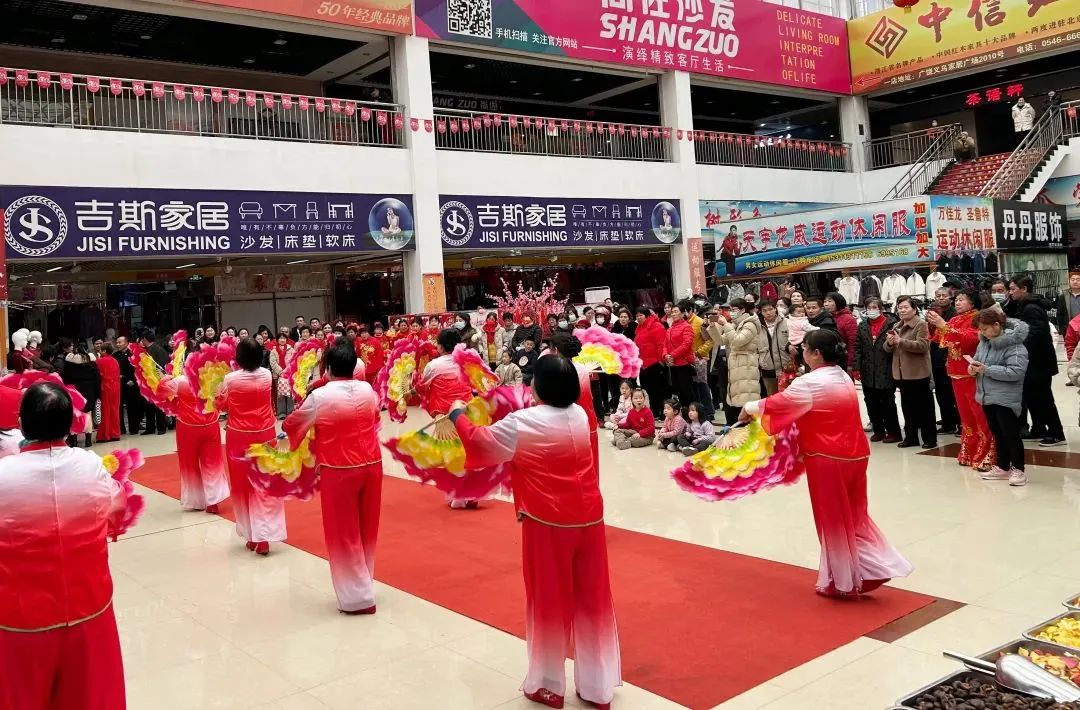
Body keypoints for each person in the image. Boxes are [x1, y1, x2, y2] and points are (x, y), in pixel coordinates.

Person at [449, 354, 619, 708]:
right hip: (589, 517)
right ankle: (598, 685)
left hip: (548, 521)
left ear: (539, 387)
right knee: (593, 598)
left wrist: (457, 415)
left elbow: (480, 444)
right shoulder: (579, 415)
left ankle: (547, 682)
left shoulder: (526, 422)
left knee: (547, 600)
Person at [740, 329, 913, 597]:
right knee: (854, 516)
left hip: (828, 458)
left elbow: (779, 403)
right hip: (856, 454)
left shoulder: (809, 382)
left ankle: (842, 581)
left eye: (806, 349)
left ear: (816, 353)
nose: (803, 353)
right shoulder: (842, 376)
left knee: (831, 520)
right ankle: (868, 569)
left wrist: (750, 408)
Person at [0, 382, 129, 709]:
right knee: (91, 697)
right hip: (89, 608)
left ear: (21, 421)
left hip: (19, 620)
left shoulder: (4, 475)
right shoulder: (91, 466)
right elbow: (116, 511)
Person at [283, 344, 382, 614]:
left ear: (327, 369)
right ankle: (364, 581)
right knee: (366, 528)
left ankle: (357, 597)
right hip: (372, 464)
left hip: (339, 469)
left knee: (343, 532)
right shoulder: (368, 391)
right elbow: (374, 420)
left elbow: (292, 424)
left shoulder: (320, 397)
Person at [216, 337, 286, 555]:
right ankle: (264, 535)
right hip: (266, 433)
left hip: (239, 436)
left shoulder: (230, 379)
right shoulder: (266, 375)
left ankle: (252, 535)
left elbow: (221, 405)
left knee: (242, 484)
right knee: (265, 484)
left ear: (239, 357)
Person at [927, 288, 995, 472]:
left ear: (972, 302)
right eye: (956, 299)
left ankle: (988, 452)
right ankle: (969, 450)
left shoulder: (978, 318)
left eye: (962, 299)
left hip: (972, 372)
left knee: (979, 415)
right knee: (966, 417)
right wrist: (935, 324)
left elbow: (971, 340)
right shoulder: (955, 319)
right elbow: (939, 340)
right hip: (955, 372)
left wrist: (944, 326)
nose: (957, 303)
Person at [416, 329, 479, 510]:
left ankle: (459, 496)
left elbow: (423, 385)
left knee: (451, 453)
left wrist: (413, 390)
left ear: (441, 346)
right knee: (467, 450)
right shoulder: (466, 361)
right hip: (467, 410)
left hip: (445, 415)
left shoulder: (434, 365)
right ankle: (470, 493)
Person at [971, 310, 1030, 486]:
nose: (982, 333)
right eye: (980, 330)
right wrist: (973, 368)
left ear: (997, 326)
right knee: (997, 432)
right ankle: (1002, 466)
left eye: (985, 329)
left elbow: (1016, 372)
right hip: (987, 395)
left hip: (1006, 397)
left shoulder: (1015, 345)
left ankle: (1018, 469)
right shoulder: (984, 343)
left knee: (1011, 434)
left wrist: (987, 370)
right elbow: (977, 360)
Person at [160, 365, 229, 514]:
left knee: (189, 464)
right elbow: (224, 397)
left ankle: (196, 501)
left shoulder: (180, 381)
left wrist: (165, 378)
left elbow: (161, 393)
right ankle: (213, 501)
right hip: (210, 425)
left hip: (187, 427)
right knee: (212, 463)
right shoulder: (215, 379)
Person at [1006, 276, 1065, 446]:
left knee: (1043, 398)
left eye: (1013, 289)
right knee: (1032, 397)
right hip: (1032, 362)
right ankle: (1039, 428)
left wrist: (1017, 345)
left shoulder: (1031, 308)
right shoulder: (1022, 306)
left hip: (1038, 362)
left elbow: (1035, 333)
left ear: (1024, 289)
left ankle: (1056, 433)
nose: (1010, 292)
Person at [884, 296, 937, 449]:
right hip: (901, 373)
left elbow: (923, 346)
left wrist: (901, 341)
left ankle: (929, 438)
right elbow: (887, 349)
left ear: (914, 309)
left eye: (906, 307)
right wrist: (889, 342)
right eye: (900, 307)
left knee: (925, 408)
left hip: (918, 373)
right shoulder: (896, 326)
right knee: (907, 407)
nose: (902, 310)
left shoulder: (922, 325)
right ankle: (911, 437)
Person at [855, 298, 902, 443]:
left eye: (874, 307)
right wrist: (856, 367)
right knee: (870, 401)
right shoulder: (862, 326)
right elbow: (857, 347)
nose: (871, 310)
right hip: (868, 369)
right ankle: (878, 429)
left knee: (887, 401)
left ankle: (894, 432)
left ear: (881, 309)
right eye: (868, 307)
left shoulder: (891, 324)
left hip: (886, 367)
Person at [711, 298, 761, 425]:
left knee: (746, 400)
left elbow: (737, 341)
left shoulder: (750, 324)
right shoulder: (735, 324)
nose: (731, 313)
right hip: (735, 366)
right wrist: (712, 326)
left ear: (743, 309)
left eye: (733, 310)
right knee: (735, 401)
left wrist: (726, 325)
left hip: (746, 365)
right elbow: (721, 341)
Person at [927, 287, 960, 436]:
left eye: (944, 296)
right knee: (941, 393)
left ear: (951, 297)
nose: (941, 298)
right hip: (936, 356)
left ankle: (960, 422)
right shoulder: (932, 312)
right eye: (938, 295)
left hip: (951, 355)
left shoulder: (955, 314)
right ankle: (947, 423)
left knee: (953, 393)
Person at [61, 340, 100, 449]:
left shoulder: (69, 361)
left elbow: (65, 377)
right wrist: (97, 392)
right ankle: (88, 440)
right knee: (87, 414)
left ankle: (74, 440)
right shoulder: (91, 361)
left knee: (74, 414)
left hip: (74, 389)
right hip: (89, 389)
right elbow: (97, 377)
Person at [634, 306, 668, 418]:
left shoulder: (657, 326)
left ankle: (663, 412)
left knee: (659, 389)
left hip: (655, 363)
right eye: (637, 316)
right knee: (649, 390)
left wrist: (660, 361)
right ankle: (654, 411)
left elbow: (661, 344)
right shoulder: (639, 328)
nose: (638, 318)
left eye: (641, 315)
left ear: (647, 316)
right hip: (643, 364)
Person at [664, 301, 695, 415]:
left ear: (683, 314)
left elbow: (686, 345)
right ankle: (682, 415)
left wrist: (672, 355)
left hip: (684, 363)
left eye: (676, 311)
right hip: (673, 364)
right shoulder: (670, 328)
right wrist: (666, 355)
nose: (673, 314)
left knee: (687, 391)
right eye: (672, 312)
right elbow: (665, 344)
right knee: (677, 391)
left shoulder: (687, 327)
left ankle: (691, 414)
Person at [757, 300, 791, 396]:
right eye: (764, 310)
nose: (768, 312)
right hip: (767, 367)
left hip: (786, 366)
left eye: (770, 309)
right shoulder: (758, 326)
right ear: (761, 312)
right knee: (772, 397)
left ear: (775, 309)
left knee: (788, 396)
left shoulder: (787, 322)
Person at [139, 331, 169, 436]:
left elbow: (162, 367)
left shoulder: (156, 350)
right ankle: (150, 427)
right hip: (148, 382)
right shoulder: (150, 350)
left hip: (156, 382)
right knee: (149, 405)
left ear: (144, 339)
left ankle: (161, 427)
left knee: (157, 406)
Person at [113, 336, 142, 437]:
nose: (118, 344)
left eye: (120, 342)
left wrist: (133, 380)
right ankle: (121, 429)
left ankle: (134, 428)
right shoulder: (115, 355)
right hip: (119, 383)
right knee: (119, 406)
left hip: (131, 383)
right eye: (117, 342)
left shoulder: (132, 354)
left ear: (126, 343)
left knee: (132, 406)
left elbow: (138, 369)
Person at [96, 341, 122, 443]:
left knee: (105, 411)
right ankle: (115, 434)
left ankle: (105, 435)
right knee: (114, 411)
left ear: (104, 350)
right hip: (116, 388)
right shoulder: (115, 361)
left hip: (105, 388)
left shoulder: (100, 361)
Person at [824, 292, 857, 369]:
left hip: (842, 359)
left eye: (830, 301)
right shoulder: (825, 317)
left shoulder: (848, 319)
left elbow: (852, 343)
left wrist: (850, 364)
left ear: (838, 302)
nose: (826, 304)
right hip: (827, 359)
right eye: (825, 301)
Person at [1057, 271, 1080, 358]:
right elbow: (1059, 314)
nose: (1075, 282)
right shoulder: (1064, 296)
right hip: (1070, 330)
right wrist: (1062, 329)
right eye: (1073, 279)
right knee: (1072, 353)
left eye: (1078, 279)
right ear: (1069, 281)